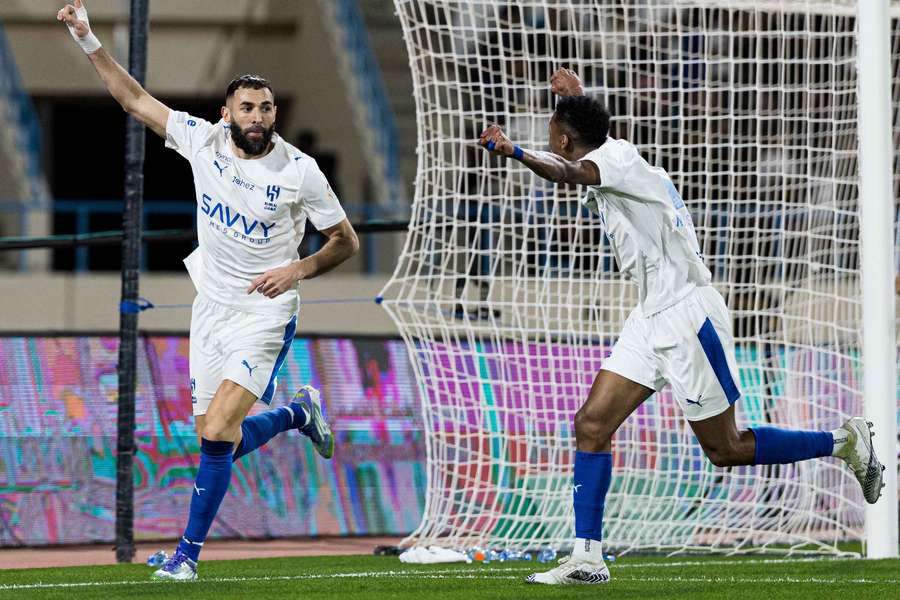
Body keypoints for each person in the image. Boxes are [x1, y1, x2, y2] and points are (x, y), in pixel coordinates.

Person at [478, 68, 884, 586]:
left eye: (552, 131)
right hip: (650, 315)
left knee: (725, 449)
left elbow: (565, 171)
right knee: (592, 425)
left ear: (561, 140)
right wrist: (575, 98)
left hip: (688, 316)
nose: (549, 136)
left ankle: (844, 442)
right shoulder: (611, 149)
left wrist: (514, 151)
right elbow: (580, 143)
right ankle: (587, 557)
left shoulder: (605, 164)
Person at [58, 1, 359, 581]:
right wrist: (87, 38)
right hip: (212, 307)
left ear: (275, 114)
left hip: (265, 312)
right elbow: (133, 100)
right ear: (226, 114)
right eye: (247, 107)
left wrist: (296, 271)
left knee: (219, 432)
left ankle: (187, 558)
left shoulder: (300, 170)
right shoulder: (202, 140)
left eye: (266, 108)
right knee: (213, 437)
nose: (257, 116)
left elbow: (344, 241)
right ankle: (299, 413)